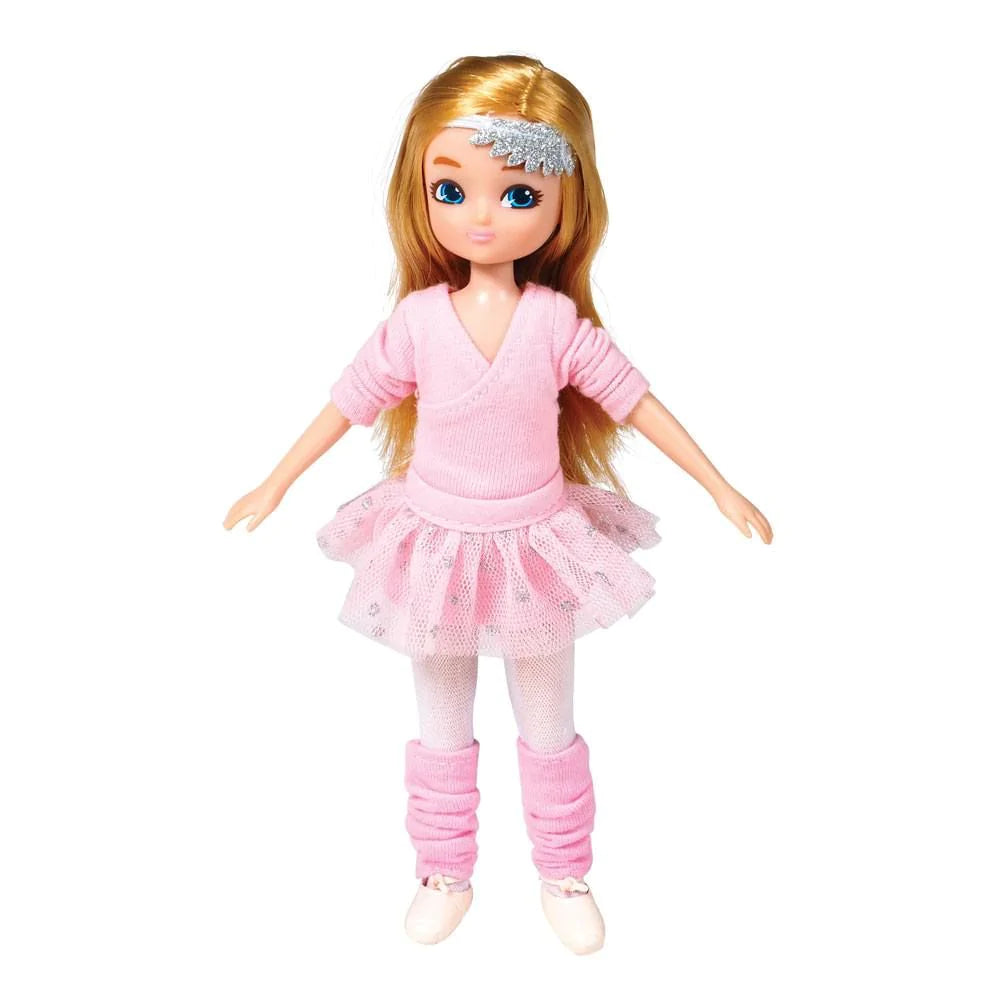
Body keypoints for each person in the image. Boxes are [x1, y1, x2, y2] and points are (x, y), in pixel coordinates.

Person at [224, 54, 773, 955]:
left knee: (548, 721)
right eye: (452, 190)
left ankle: (564, 870)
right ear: (421, 194)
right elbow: (348, 402)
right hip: (435, 545)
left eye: (518, 195)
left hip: (536, 547)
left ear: (564, 204)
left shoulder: (554, 324)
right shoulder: (416, 322)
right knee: (440, 721)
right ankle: (444, 870)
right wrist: (274, 481)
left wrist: (720, 485)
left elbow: (636, 401)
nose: (481, 216)